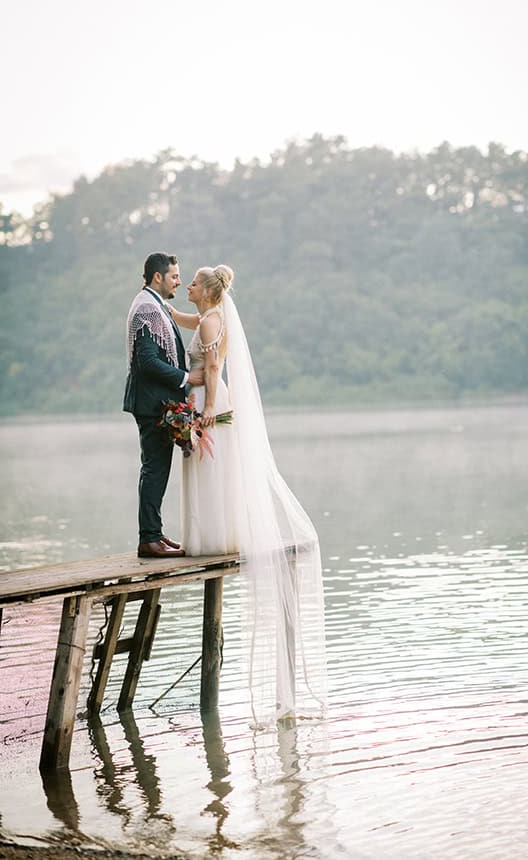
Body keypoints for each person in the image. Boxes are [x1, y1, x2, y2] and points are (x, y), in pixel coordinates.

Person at [169, 265, 328, 727]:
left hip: (215, 404)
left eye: (192, 283)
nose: (189, 288)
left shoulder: (215, 320)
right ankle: (212, 533)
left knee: (213, 467)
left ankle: (217, 535)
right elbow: (183, 319)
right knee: (208, 471)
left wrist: (205, 411)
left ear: (208, 290)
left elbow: (212, 367)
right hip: (207, 400)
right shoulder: (206, 317)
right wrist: (159, 306)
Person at [123, 252, 204, 558]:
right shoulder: (146, 307)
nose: (178, 281)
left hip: (155, 401)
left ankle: (154, 533)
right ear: (158, 277)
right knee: (154, 469)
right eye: (174, 276)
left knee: (156, 468)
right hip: (151, 403)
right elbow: (146, 361)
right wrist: (186, 377)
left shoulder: (154, 304)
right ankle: (149, 539)